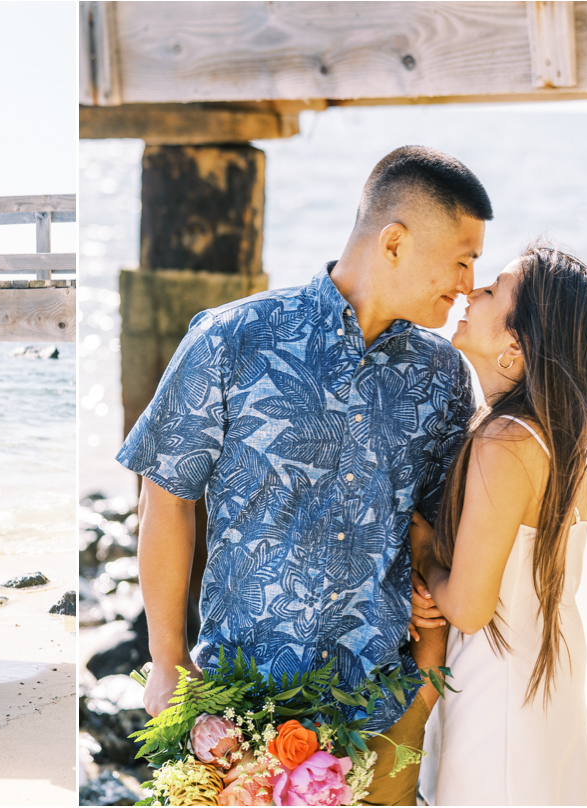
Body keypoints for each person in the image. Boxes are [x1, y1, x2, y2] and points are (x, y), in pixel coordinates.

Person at [117, 145, 492, 805]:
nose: (465, 284)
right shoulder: (231, 339)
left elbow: (431, 533)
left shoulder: (442, 378)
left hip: (380, 708)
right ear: (394, 243)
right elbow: (165, 501)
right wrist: (164, 662)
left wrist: (423, 690)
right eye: (461, 260)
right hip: (238, 709)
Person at [408, 243, 587, 804]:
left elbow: (467, 607)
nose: (470, 289)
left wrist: (425, 552)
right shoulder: (558, 439)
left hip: (498, 687)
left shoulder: (506, 441)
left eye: (493, 290)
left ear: (515, 346)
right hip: (545, 679)